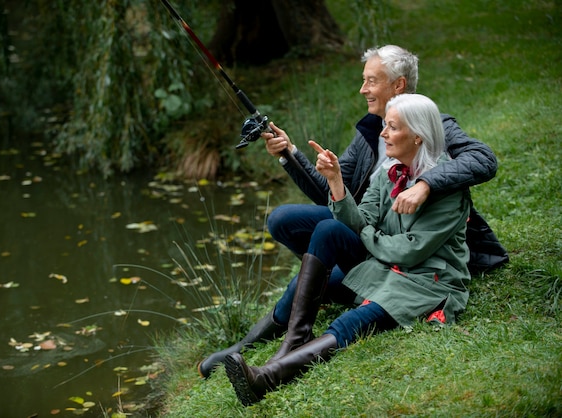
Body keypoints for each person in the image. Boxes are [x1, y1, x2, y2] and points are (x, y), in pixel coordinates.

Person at [197, 44, 506, 379]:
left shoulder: (433, 126)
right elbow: (327, 191)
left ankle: (319, 302)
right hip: (370, 228)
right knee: (290, 223)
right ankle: (253, 344)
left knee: (330, 248)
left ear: (397, 85)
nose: (362, 89)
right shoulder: (371, 133)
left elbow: (484, 160)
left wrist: (426, 184)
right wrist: (290, 153)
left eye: (371, 81)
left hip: (412, 251)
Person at [224, 93, 472, 406]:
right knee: (328, 228)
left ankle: (264, 379)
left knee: (351, 322)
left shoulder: (447, 189)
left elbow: (412, 251)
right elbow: (360, 221)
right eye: (384, 126)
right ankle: (295, 338)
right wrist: (336, 182)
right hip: (386, 265)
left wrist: (369, 235)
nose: (383, 134)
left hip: (425, 280)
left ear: (418, 137)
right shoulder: (389, 170)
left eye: (392, 128)